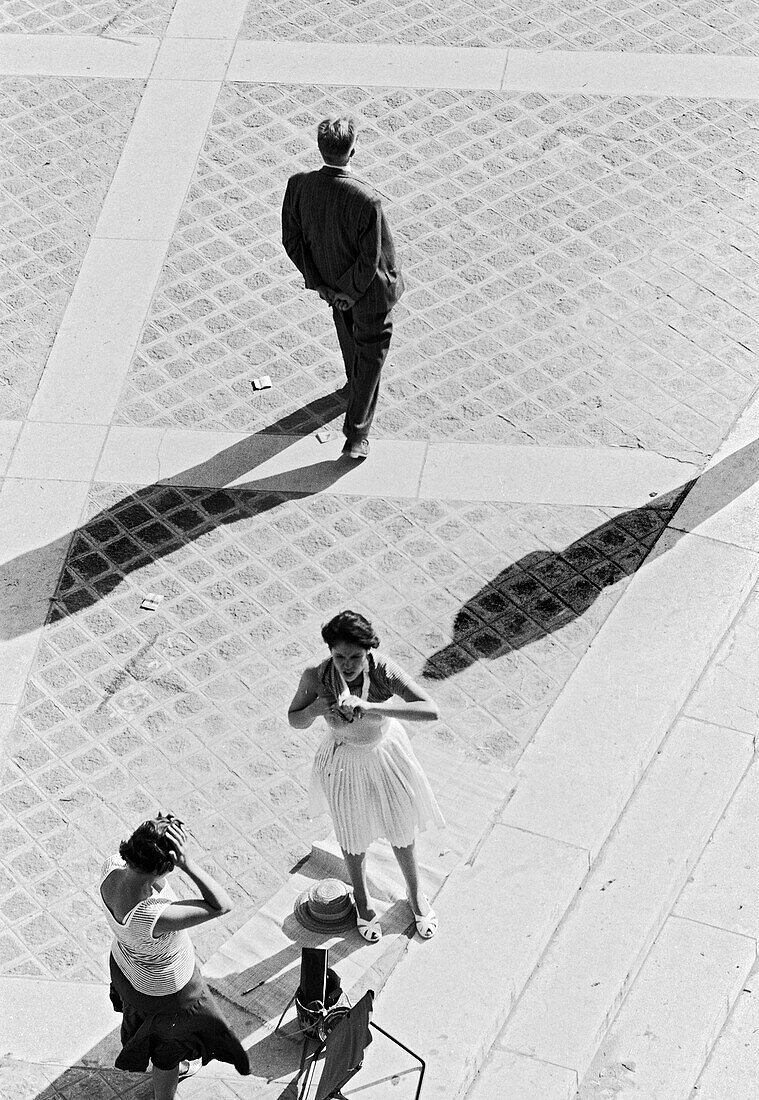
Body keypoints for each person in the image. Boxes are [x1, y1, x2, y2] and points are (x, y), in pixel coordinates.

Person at [288, 611, 444, 942]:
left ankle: (414, 892)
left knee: (400, 825)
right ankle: (361, 897)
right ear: (330, 651)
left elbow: (430, 709)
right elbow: (295, 720)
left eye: (356, 656)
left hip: (385, 751)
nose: (348, 664)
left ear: (369, 651)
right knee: (352, 832)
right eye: (340, 656)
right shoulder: (317, 676)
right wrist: (318, 709)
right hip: (344, 757)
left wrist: (375, 708)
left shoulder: (383, 669)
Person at [98, 814, 249, 1099]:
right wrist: (189, 864)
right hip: (166, 995)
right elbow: (222, 905)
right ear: (166, 867)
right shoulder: (151, 916)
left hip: (126, 968)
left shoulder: (111, 867)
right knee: (167, 1050)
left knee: (156, 1037)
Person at [281, 116, 405, 461]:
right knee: (371, 354)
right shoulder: (367, 201)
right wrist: (349, 293)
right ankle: (356, 435)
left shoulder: (299, 186)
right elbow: (371, 259)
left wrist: (323, 286)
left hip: (332, 287)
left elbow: (291, 241)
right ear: (353, 150)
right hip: (368, 296)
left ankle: (354, 383)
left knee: (350, 340)